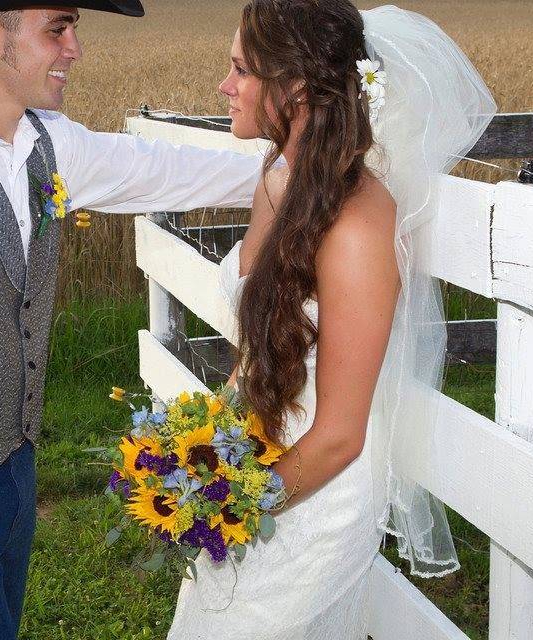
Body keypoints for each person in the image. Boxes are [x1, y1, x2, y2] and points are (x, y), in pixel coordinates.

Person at [0, 1, 268, 638]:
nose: (74, 49)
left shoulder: (44, 142)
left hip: (16, 460)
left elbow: (157, 172)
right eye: (56, 29)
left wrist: (289, 172)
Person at [167, 1, 496, 638]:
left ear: (293, 86)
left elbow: (342, 433)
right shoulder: (278, 179)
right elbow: (258, 350)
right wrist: (204, 451)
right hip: (253, 461)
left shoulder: (355, 225)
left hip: (317, 492)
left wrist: (232, 507)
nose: (224, 86)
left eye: (240, 68)